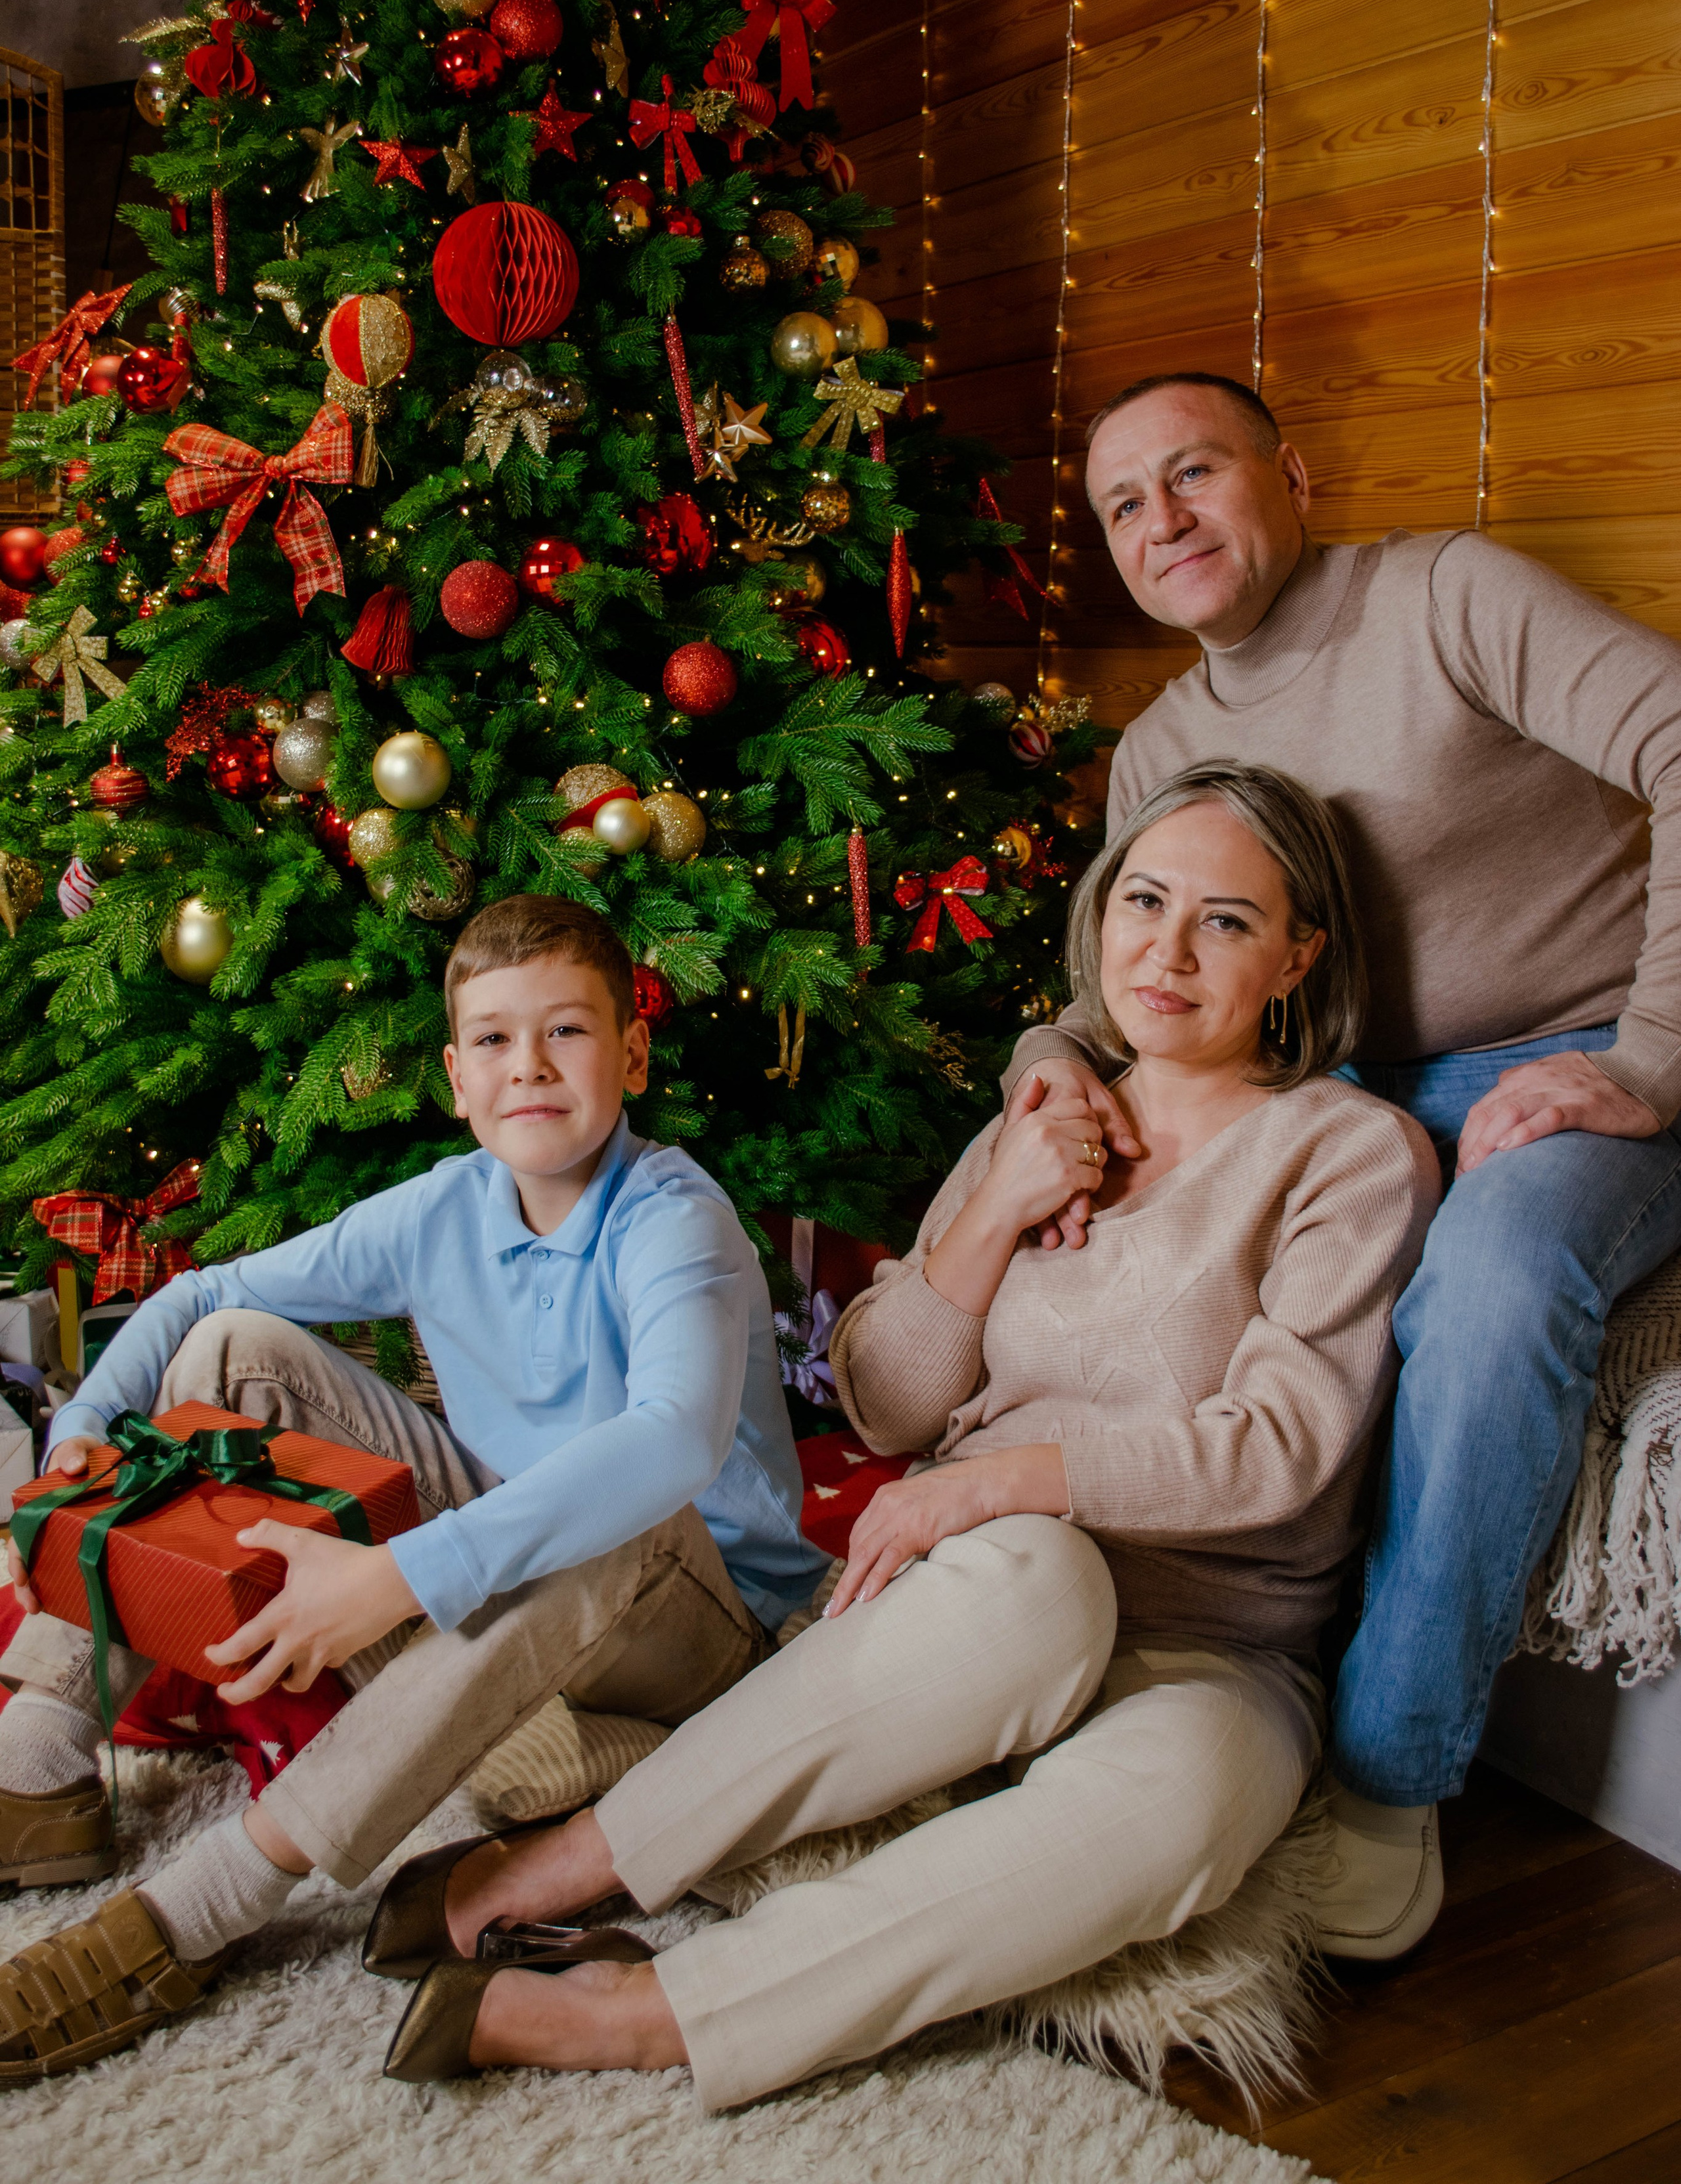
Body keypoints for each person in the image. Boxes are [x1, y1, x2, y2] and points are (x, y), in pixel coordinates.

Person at [363, 764, 1438, 2107]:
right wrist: (998, 1206)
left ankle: (649, 2011)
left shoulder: (1348, 1156)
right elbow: (879, 1401)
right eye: (1143, 902)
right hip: (981, 1613)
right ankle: (560, 1867)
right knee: (1042, 1578)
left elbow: (1278, 1449)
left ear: (1297, 956)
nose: (1165, 952)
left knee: (1196, 1803)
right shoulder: (1040, 1117)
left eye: (1224, 921)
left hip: (1216, 1645)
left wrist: (992, 1482)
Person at [1003, 372, 1681, 1958]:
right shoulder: (1160, 745)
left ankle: (1388, 1780)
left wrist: (1648, 1059)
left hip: (1570, 1066)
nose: (1161, 520)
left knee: (1496, 1281)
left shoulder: (1446, 599)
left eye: (1193, 473)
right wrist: (1051, 1063)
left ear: (1291, 475)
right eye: (1122, 505)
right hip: (1325, 1097)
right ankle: (1138, 1672)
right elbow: (1126, 982)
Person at [0, 894, 827, 2086]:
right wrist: (78, 1431)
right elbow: (198, 1294)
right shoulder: (446, 1208)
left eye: (567, 1032)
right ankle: (41, 1756)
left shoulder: (675, 1220)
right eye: (494, 1039)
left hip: (701, 1622)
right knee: (232, 1347)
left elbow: (672, 1445)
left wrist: (397, 1576)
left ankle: (199, 1911)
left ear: (634, 1054)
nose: (528, 1067)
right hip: (516, 1563)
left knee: (618, 1509)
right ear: (455, 1076)